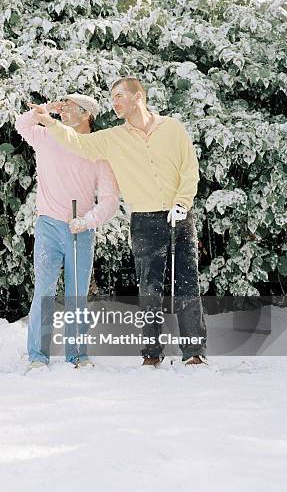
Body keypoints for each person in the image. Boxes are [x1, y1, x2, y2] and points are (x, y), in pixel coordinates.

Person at [29, 77, 207, 367]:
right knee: (149, 290)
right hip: (145, 220)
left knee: (186, 284)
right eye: (112, 98)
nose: (115, 102)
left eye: (120, 96)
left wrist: (182, 202)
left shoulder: (172, 129)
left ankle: (194, 353)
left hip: (179, 215)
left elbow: (189, 168)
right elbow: (77, 141)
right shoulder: (114, 137)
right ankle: (151, 354)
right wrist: (50, 122)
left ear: (139, 96)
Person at [15, 94, 119, 369]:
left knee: (76, 295)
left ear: (87, 115)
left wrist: (88, 221)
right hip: (48, 224)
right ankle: (37, 356)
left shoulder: (97, 151)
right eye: (61, 106)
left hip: (80, 229)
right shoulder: (47, 137)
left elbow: (110, 200)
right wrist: (45, 110)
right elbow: (22, 125)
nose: (63, 111)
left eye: (69, 107)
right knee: (44, 291)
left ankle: (77, 354)